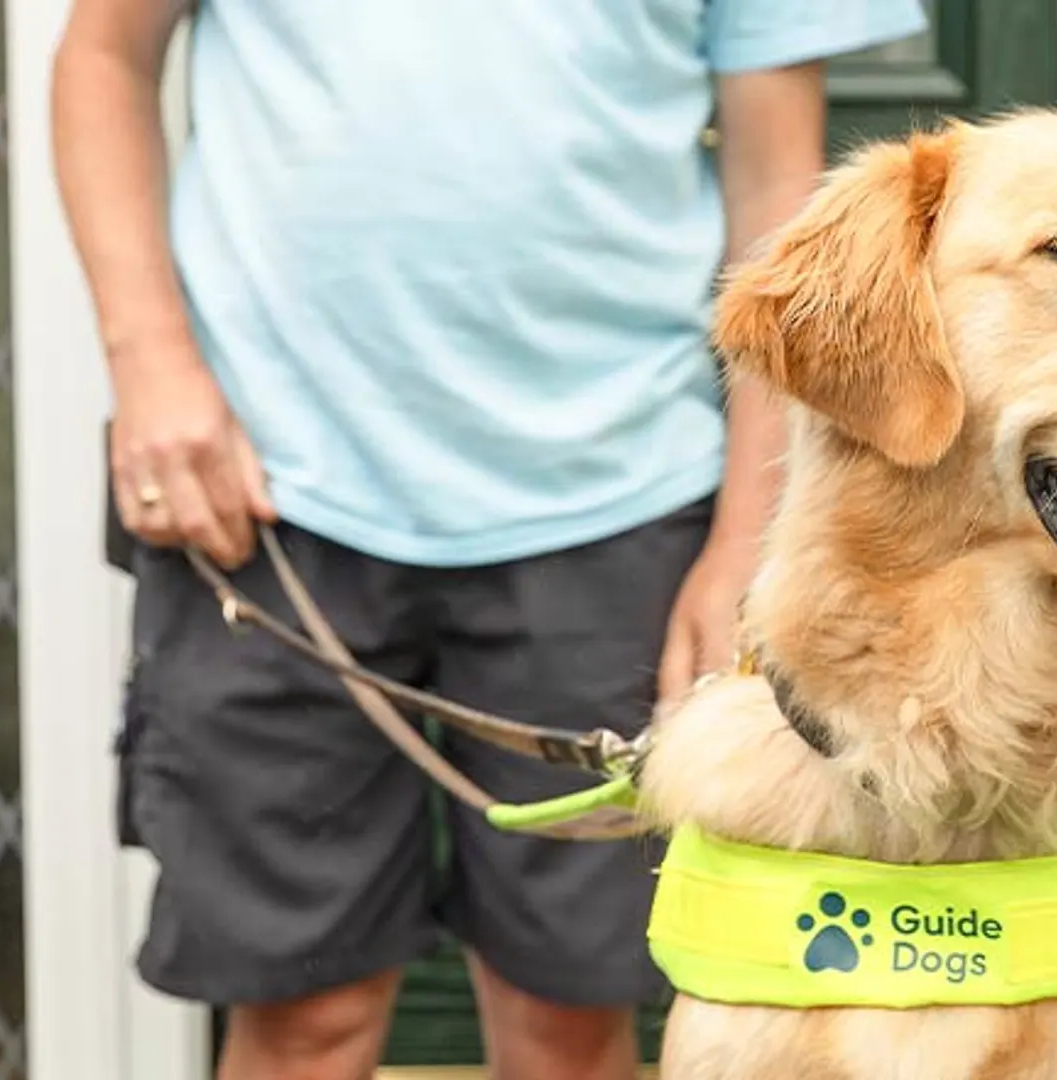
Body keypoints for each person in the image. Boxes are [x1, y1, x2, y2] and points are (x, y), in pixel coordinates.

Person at [50, 1, 928, 1077]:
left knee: (567, 1025)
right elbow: (102, 55)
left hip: (620, 504)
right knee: (299, 1025)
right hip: (269, 503)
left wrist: (749, 535)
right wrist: (149, 367)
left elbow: (775, 191)